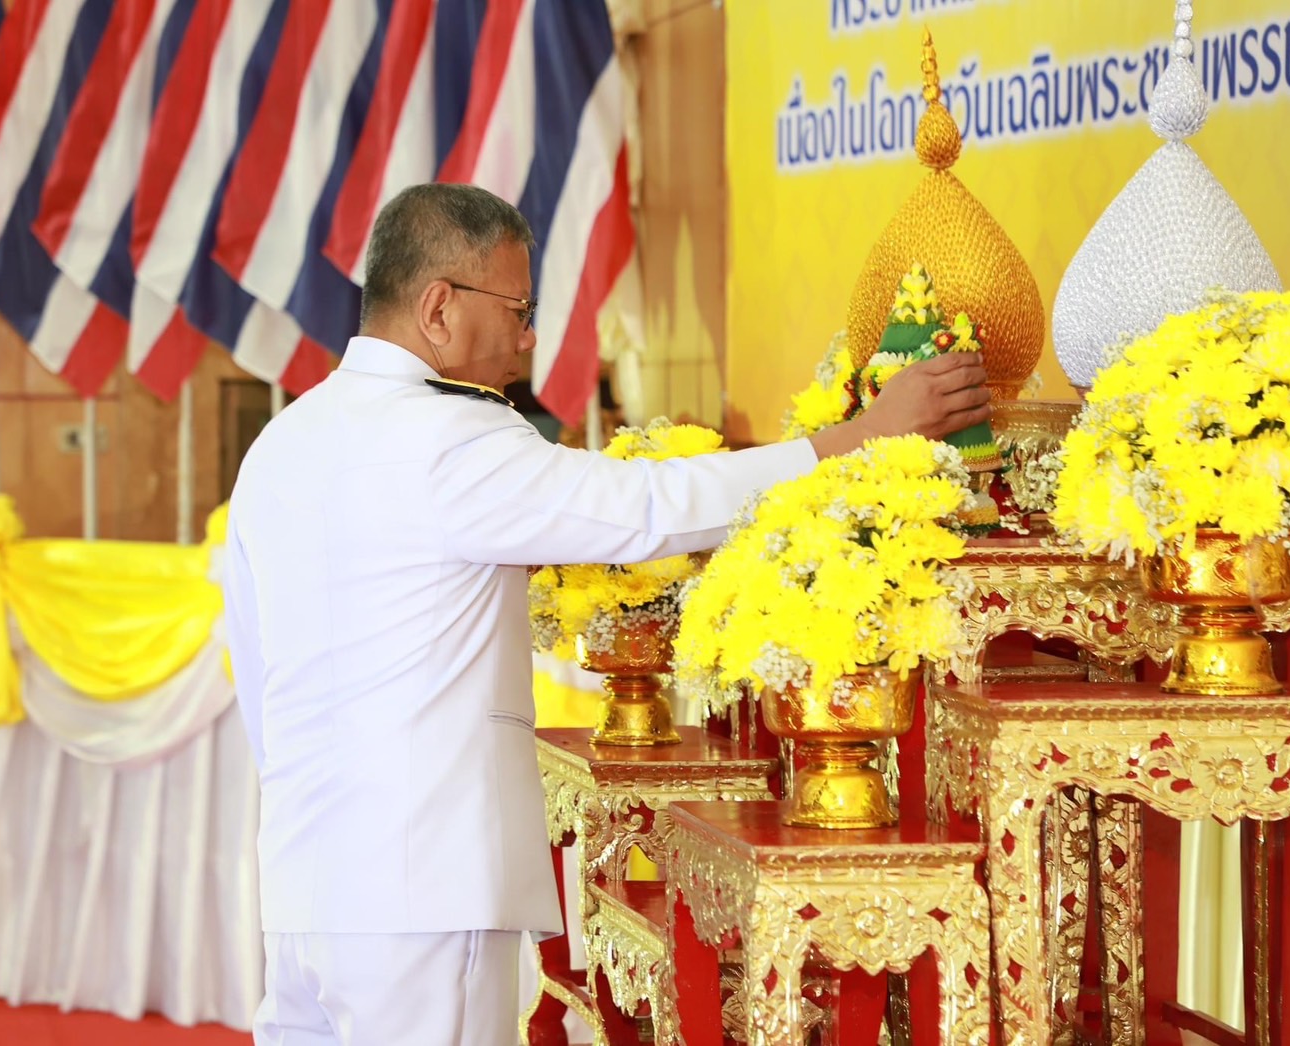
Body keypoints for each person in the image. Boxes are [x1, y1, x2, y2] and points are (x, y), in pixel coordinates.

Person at [222, 183, 989, 1045]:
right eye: (517, 307)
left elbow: (254, 677)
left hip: (302, 887)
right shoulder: (450, 438)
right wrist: (850, 442)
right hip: (422, 891)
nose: (528, 335)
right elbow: (645, 506)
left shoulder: (280, 445)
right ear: (438, 307)